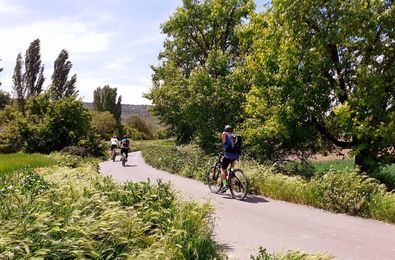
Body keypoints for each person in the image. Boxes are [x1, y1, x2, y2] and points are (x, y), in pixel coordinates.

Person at [220, 125, 240, 192]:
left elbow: (224, 144)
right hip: (236, 155)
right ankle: (231, 178)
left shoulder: (224, 133)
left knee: (223, 169)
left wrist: (222, 151)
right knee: (230, 170)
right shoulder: (235, 135)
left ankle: (225, 185)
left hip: (228, 155)